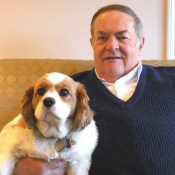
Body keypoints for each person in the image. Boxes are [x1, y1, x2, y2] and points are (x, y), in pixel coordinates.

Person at [13, 4, 175, 175]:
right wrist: (19, 166)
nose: (112, 45)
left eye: (123, 37)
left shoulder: (170, 80)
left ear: (140, 44)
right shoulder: (66, 90)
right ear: (92, 44)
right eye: (102, 38)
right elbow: (13, 131)